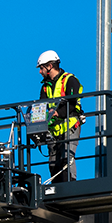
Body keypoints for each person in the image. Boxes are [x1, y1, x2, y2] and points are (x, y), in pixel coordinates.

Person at [35, 50, 81, 183]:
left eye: (41, 68)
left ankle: (70, 187)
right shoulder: (45, 87)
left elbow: (72, 103)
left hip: (70, 124)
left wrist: (57, 112)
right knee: (53, 161)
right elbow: (41, 106)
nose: (40, 72)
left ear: (50, 66)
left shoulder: (69, 80)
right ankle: (57, 189)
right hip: (53, 129)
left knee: (67, 157)